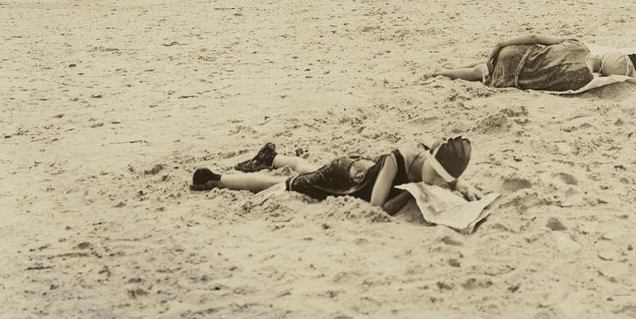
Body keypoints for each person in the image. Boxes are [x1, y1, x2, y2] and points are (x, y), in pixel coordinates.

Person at [191, 136, 473, 217]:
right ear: (430, 158)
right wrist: (414, 189)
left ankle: (272, 157)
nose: (436, 184)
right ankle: (216, 178)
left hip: (358, 170)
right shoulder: (397, 159)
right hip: (346, 180)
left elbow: (445, 176)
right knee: (286, 185)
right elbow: (376, 207)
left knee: (311, 167)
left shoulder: (430, 162)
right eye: (434, 176)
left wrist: (462, 185)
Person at [430, 35, 636, 92]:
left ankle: (446, 70)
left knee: (491, 62)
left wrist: (501, 44)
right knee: (482, 73)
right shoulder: (583, 79)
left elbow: (534, 36)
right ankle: (446, 73)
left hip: (519, 52)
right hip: (518, 76)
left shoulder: (577, 45)